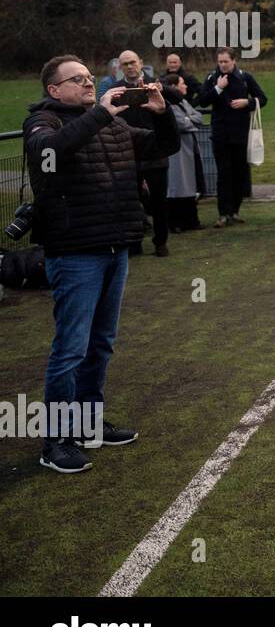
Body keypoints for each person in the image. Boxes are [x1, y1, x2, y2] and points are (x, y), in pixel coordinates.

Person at [23, 55, 179, 473]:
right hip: (75, 251)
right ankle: (56, 441)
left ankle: (89, 424)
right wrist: (97, 114)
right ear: (54, 90)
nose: (89, 83)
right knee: (70, 349)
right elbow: (47, 154)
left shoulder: (111, 121)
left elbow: (161, 147)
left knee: (100, 343)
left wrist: (162, 117)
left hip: (116, 245)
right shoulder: (45, 122)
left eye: (90, 77)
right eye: (78, 80)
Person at [111, 49, 180, 257]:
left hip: (156, 150)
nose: (130, 67)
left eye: (132, 62)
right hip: (128, 152)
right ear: (120, 67)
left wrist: (162, 89)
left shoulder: (154, 84)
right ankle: (134, 242)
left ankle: (161, 241)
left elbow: (178, 97)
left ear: (140, 62)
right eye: (125, 64)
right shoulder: (116, 90)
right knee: (130, 201)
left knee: (158, 200)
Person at [196, 48, 268, 228]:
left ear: (234, 61)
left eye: (225, 61)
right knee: (223, 174)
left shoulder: (245, 78)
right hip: (220, 135)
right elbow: (202, 100)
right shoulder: (212, 78)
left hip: (241, 135)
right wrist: (218, 89)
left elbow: (263, 98)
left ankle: (235, 211)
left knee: (240, 174)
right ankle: (223, 213)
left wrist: (248, 102)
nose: (222, 65)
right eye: (219, 62)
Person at [160, 73, 205, 232]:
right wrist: (189, 119)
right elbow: (180, 123)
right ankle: (176, 222)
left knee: (189, 184)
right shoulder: (168, 105)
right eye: (182, 83)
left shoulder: (183, 102)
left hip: (189, 148)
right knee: (177, 184)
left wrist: (188, 119)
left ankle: (191, 220)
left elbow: (198, 117)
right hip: (177, 151)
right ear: (173, 87)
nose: (185, 86)